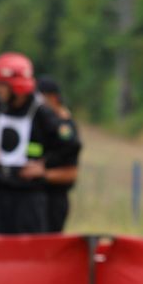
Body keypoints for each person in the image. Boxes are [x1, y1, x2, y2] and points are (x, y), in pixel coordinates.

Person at [0, 53, 65, 236]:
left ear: (16, 86)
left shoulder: (41, 113)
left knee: (28, 247)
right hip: (2, 190)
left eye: (1, 85)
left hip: (30, 195)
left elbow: (67, 146)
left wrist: (44, 167)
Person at [33, 76, 84, 233]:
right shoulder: (41, 124)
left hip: (54, 197)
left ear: (52, 97)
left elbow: (71, 171)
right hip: (36, 196)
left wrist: (41, 172)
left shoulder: (64, 127)